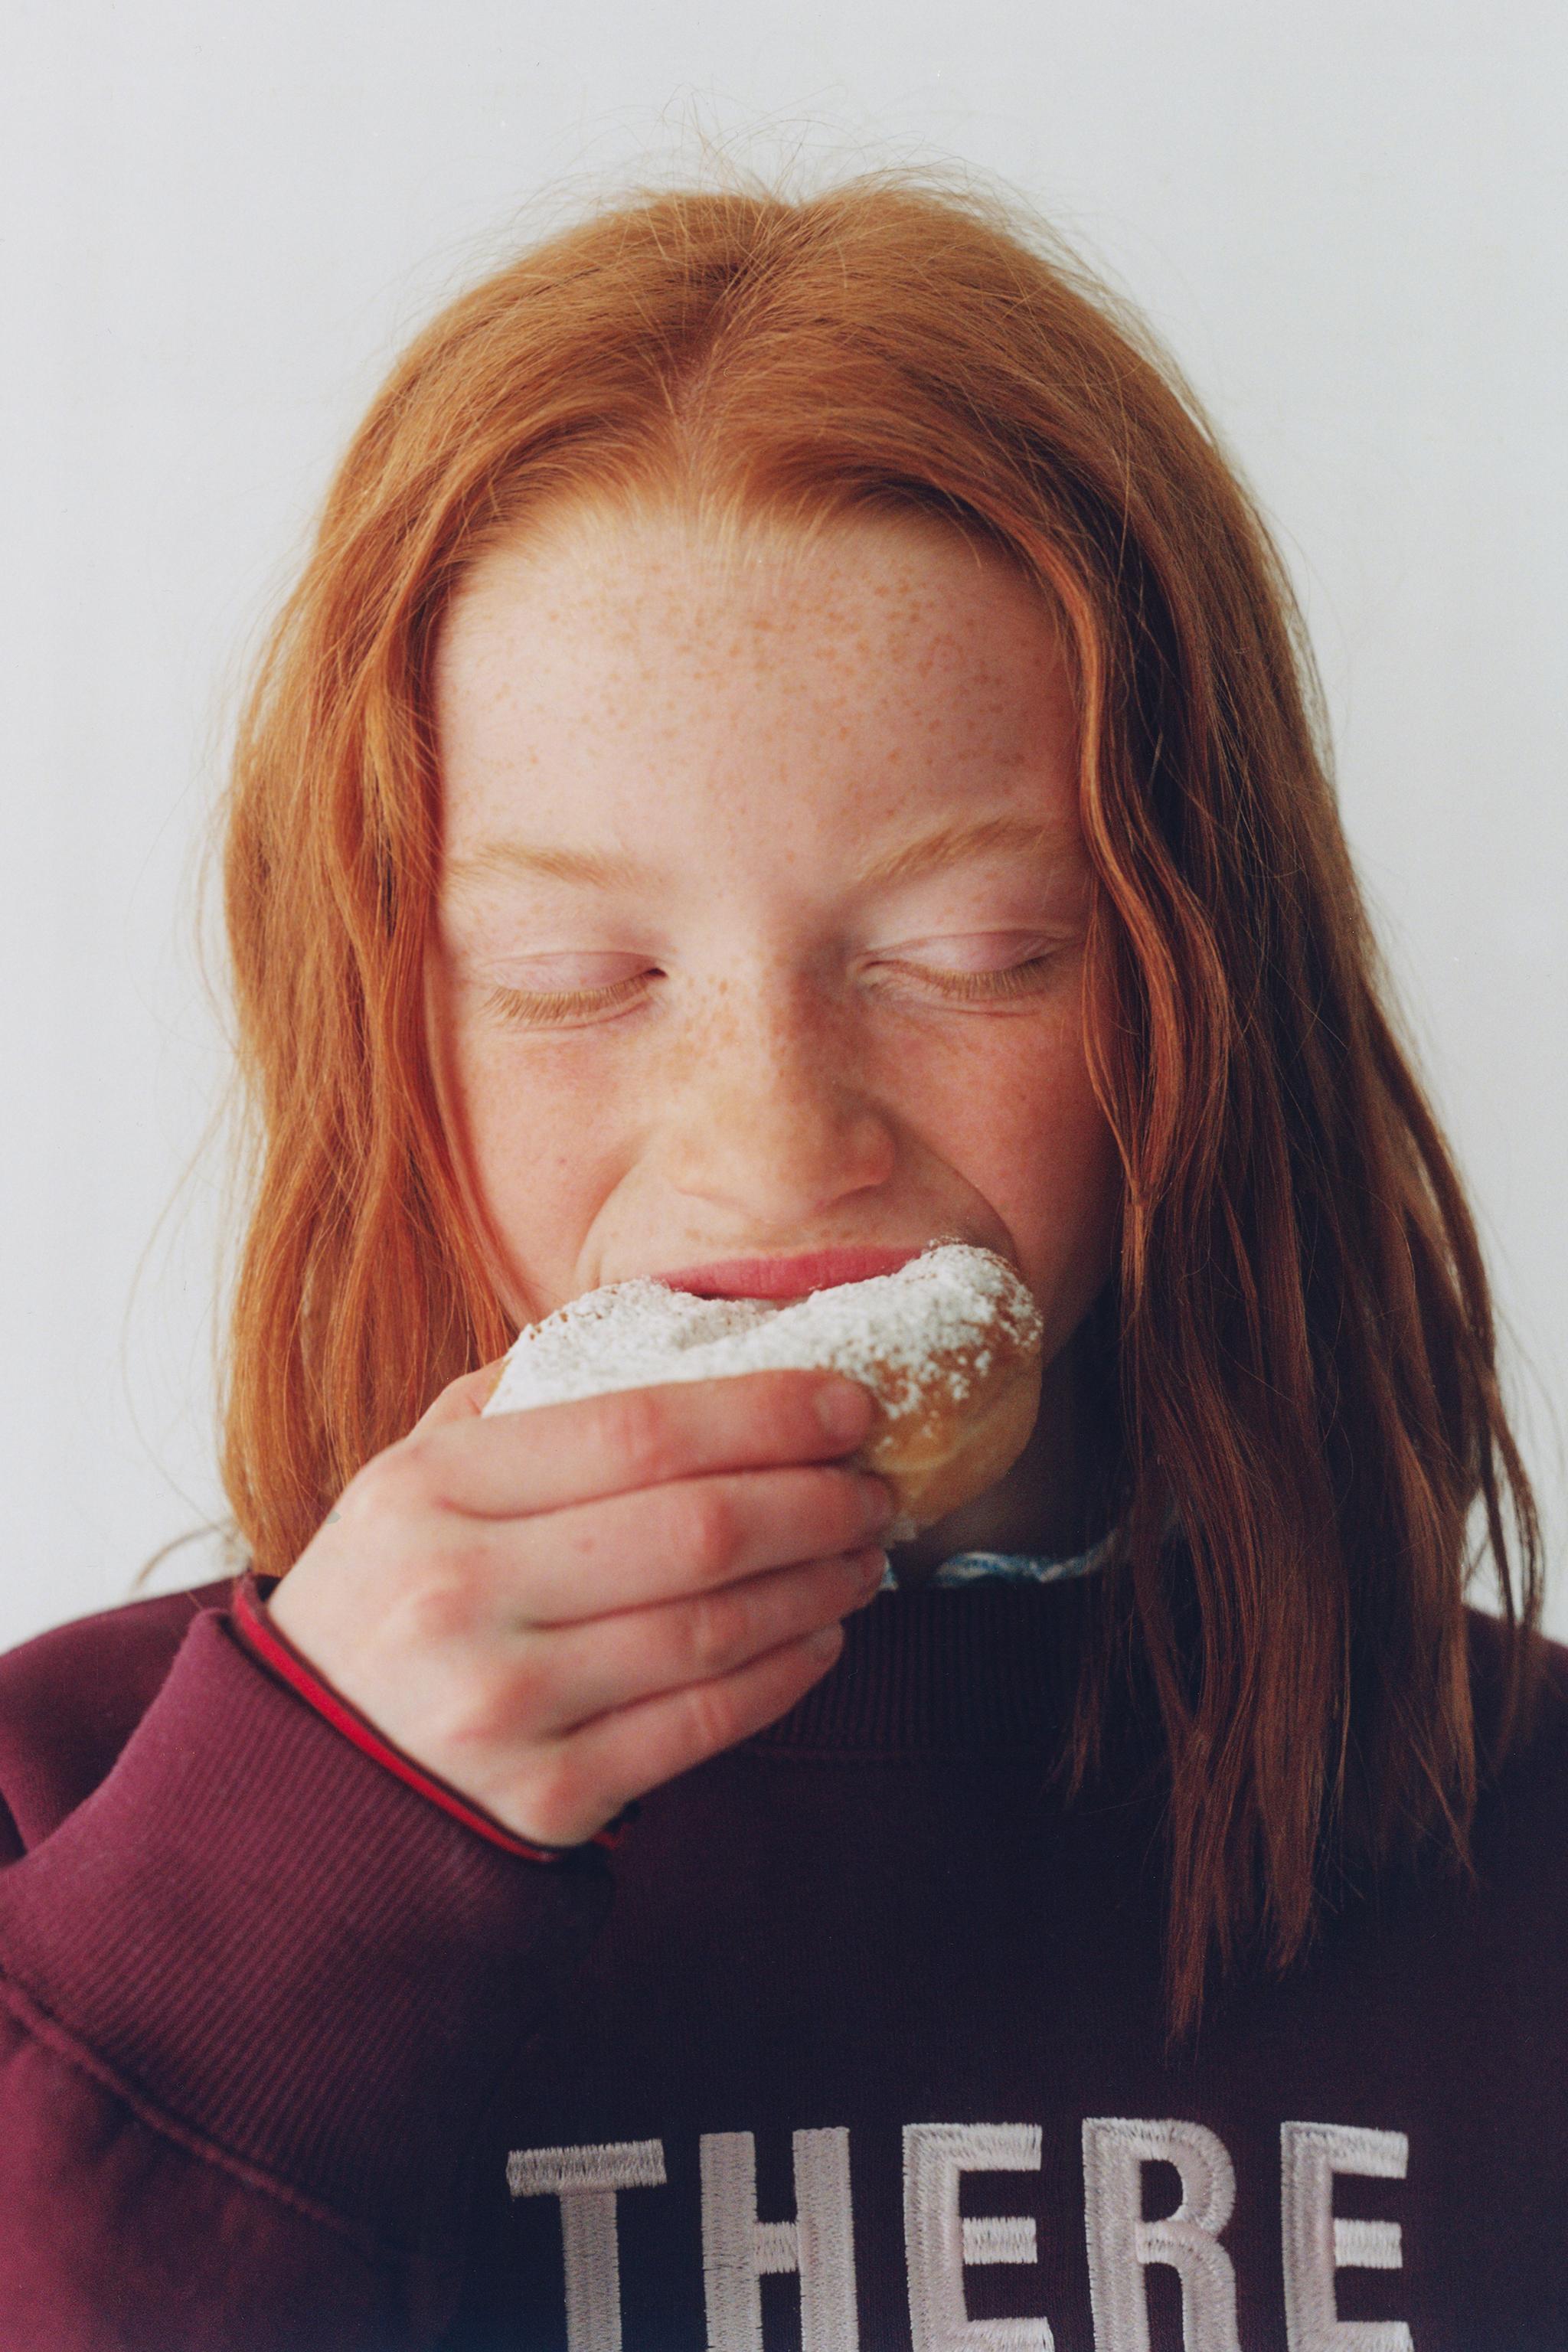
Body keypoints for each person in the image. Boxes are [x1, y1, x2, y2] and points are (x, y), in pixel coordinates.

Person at [0, 168, 1559, 2352]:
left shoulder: (1516, 1870)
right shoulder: (65, 1820)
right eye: (571, 973)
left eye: (972, 954)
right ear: (383, 1023)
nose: (772, 1137)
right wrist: (283, 1882)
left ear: (1209, 992)